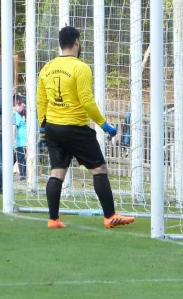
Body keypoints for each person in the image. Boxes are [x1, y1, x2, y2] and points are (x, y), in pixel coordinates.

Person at [36, 26, 136, 229]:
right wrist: (104, 124)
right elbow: (87, 101)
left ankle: (53, 219)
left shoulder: (46, 68)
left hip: (53, 127)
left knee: (57, 172)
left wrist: (42, 127)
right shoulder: (80, 67)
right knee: (99, 169)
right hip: (75, 127)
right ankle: (110, 216)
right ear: (76, 42)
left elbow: (41, 101)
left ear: (60, 43)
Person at [13, 96, 27, 180]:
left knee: (17, 158)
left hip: (19, 142)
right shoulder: (14, 114)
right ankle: (23, 176)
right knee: (21, 159)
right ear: (17, 104)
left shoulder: (16, 114)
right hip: (20, 142)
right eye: (22, 104)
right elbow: (14, 125)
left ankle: (22, 175)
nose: (24, 105)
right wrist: (13, 137)